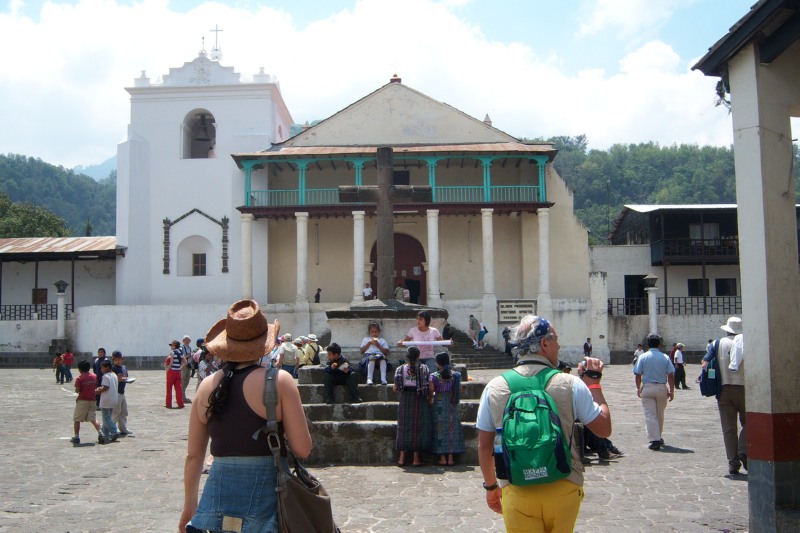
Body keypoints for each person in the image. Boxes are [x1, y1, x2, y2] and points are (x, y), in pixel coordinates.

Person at [179, 299, 312, 533]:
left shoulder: (207, 386)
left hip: (216, 503)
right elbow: (303, 449)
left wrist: (190, 506)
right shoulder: (279, 381)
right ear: (264, 343)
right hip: (266, 500)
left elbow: (194, 456)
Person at [476, 315, 612, 532]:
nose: (559, 345)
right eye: (556, 339)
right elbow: (603, 429)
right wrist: (594, 384)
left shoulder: (495, 387)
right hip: (563, 485)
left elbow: (484, 446)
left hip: (517, 488)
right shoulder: (570, 384)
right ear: (544, 343)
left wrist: (491, 486)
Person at [703, 316, 746, 474]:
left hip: (724, 389)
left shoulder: (716, 343)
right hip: (746, 389)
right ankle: (743, 449)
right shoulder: (748, 341)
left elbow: (705, 363)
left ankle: (733, 463)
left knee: (729, 429)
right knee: (749, 423)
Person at [633, 333, 675, 450]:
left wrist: (638, 388)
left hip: (648, 387)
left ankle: (655, 439)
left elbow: (637, 374)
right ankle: (658, 436)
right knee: (659, 414)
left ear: (648, 344)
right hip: (661, 387)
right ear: (659, 344)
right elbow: (670, 375)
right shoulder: (665, 357)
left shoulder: (643, 357)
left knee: (650, 414)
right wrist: (672, 390)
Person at [393, 346, 431, 467]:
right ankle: (416, 459)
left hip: (405, 398)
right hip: (419, 398)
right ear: (419, 356)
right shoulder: (424, 368)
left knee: (403, 427)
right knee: (417, 427)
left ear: (406, 356)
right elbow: (428, 386)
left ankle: (401, 458)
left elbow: (396, 388)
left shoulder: (400, 369)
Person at [428, 352, 464, 466]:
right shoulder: (456, 375)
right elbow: (460, 390)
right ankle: (451, 458)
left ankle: (442, 458)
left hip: (438, 404)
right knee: (452, 429)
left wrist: (430, 399)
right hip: (451, 403)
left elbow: (431, 390)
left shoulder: (434, 376)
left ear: (438, 363)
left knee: (439, 430)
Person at [70, 360, 102, 444]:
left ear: (80, 369)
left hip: (82, 400)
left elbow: (77, 390)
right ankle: (100, 433)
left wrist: (77, 389)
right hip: (92, 400)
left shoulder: (80, 378)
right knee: (93, 419)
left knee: (77, 419)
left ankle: (76, 437)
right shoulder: (94, 376)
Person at [95, 360, 120, 444]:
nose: (101, 369)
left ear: (108, 367)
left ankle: (115, 431)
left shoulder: (106, 376)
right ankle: (105, 434)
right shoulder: (114, 375)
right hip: (113, 399)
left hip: (106, 400)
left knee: (106, 418)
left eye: (102, 368)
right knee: (107, 418)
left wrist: (98, 390)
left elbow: (105, 387)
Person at [110, 350, 131, 436]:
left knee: (123, 411)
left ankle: (123, 428)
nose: (118, 361)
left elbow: (126, 377)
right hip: (116, 392)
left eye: (119, 359)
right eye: (116, 360)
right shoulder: (113, 369)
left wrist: (125, 379)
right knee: (115, 412)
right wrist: (118, 379)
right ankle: (112, 429)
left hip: (122, 392)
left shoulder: (124, 368)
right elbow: (112, 379)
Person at [165, 340, 186, 409]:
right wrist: (180, 368)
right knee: (178, 389)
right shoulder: (181, 352)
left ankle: (168, 404)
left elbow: (171, 363)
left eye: (171, 345)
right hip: (178, 372)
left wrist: (168, 369)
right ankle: (180, 404)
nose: (171, 346)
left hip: (172, 372)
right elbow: (185, 362)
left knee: (169, 389)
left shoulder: (172, 352)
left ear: (174, 346)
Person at [180, 335, 194, 404]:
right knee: (183, 380)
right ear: (183, 341)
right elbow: (181, 357)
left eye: (188, 339)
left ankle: (182, 395)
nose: (187, 341)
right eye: (186, 339)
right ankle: (182, 397)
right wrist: (187, 356)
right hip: (184, 365)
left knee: (187, 380)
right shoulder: (182, 348)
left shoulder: (189, 348)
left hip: (188, 365)